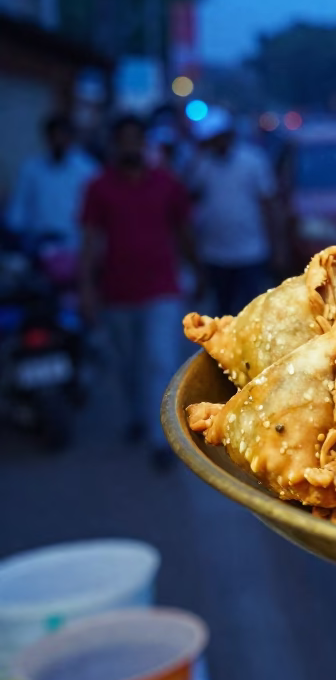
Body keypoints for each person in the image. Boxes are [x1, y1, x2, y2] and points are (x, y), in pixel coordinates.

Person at [80, 115, 198, 470]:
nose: (130, 147)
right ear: (114, 146)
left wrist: (198, 269)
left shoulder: (167, 184)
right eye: (123, 140)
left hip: (161, 288)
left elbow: (184, 232)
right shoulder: (98, 187)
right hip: (116, 291)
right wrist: (85, 287)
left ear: (145, 144)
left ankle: (160, 439)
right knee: (128, 363)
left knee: (158, 361)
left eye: (136, 140)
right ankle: (137, 415)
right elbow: (89, 241)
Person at [183, 106, 285, 316]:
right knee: (222, 310)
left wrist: (276, 245)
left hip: (250, 251)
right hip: (215, 252)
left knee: (252, 308)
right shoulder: (202, 164)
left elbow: (268, 203)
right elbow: (190, 197)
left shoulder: (253, 161)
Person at [5, 114, 99, 253]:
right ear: (46, 137)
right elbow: (18, 207)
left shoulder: (88, 170)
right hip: (36, 245)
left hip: (73, 246)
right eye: (54, 136)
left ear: (70, 138)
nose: (58, 141)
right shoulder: (31, 168)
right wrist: (15, 235)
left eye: (62, 135)